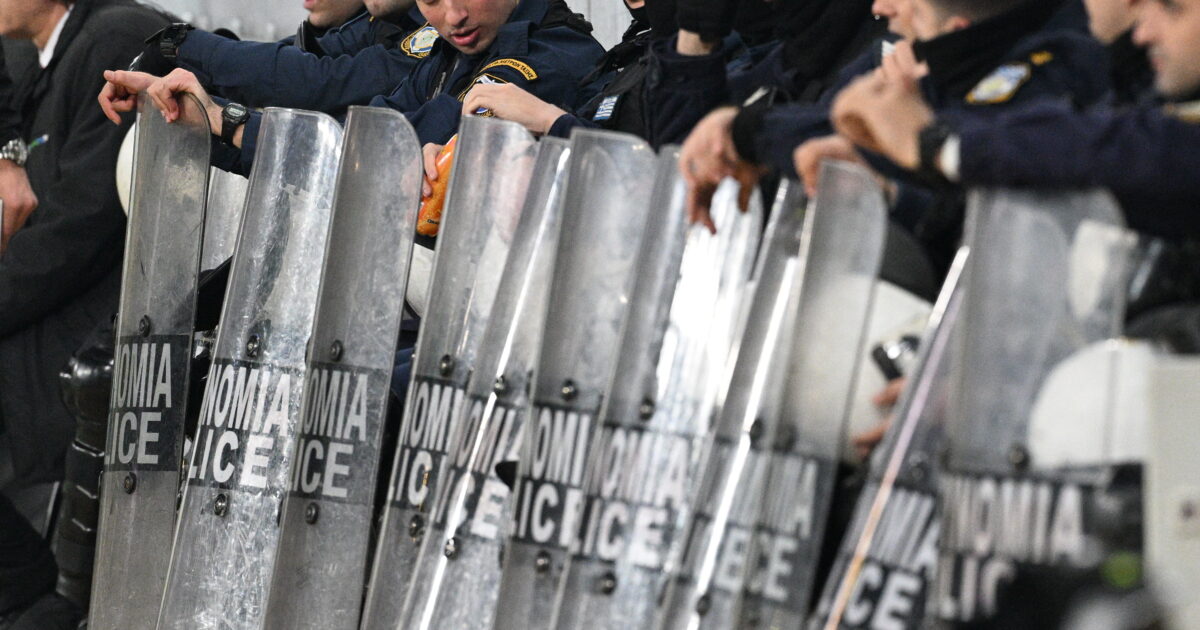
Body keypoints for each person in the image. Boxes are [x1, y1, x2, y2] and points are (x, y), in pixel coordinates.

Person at [0, 0, 170, 627]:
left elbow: (80, 229)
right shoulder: (36, 59)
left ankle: (36, 594)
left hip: (91, 344)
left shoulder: (113, 37)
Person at [103, 0, 604, 175]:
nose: (453, 16)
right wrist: (203, 122)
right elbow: (359, 136)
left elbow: (386, 158)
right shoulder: (454, 51)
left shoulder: (548, 57)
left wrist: (225, 119)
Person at [99, 0, 429, 119]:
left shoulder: (433, 34)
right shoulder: (380, 23)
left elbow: (316, 82)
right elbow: (286, 63)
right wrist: (180, 87)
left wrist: (179, 43)